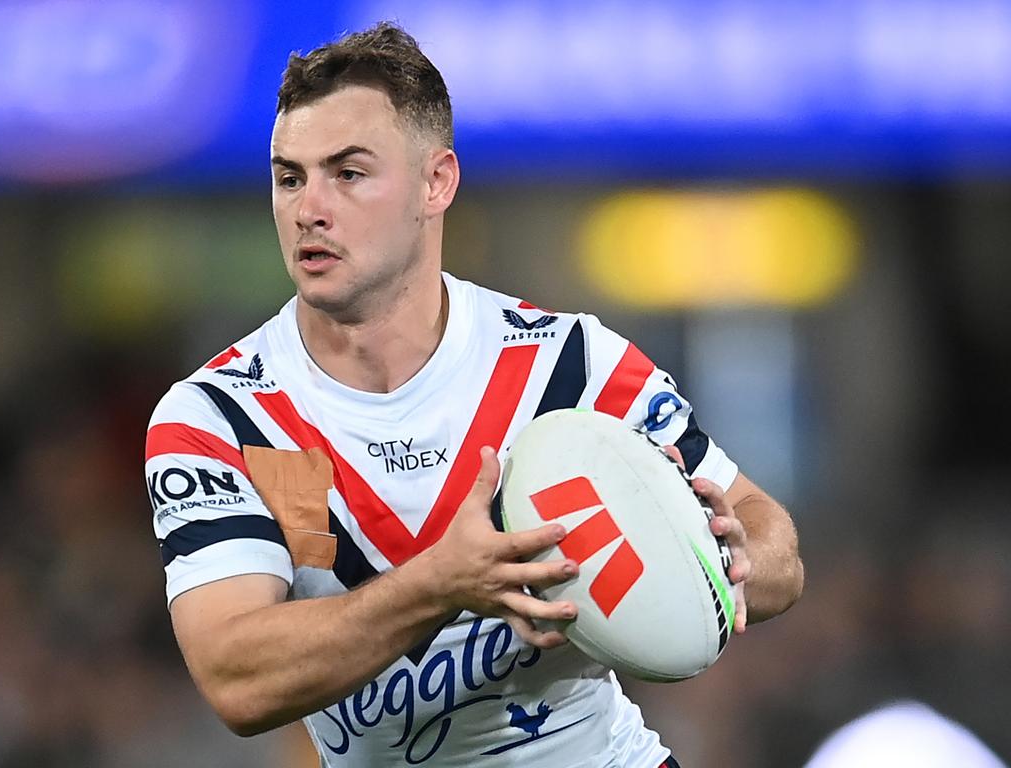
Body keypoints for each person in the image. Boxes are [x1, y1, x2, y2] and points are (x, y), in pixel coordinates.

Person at [145, 22, 804, 767]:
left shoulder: (566, 363)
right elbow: (236, 679)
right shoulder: (219, 415)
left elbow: (771, 541)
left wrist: (736, 553)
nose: (308, 208)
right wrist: (444, 582)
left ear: (437, 182)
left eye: (348, 173)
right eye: (289, 176)